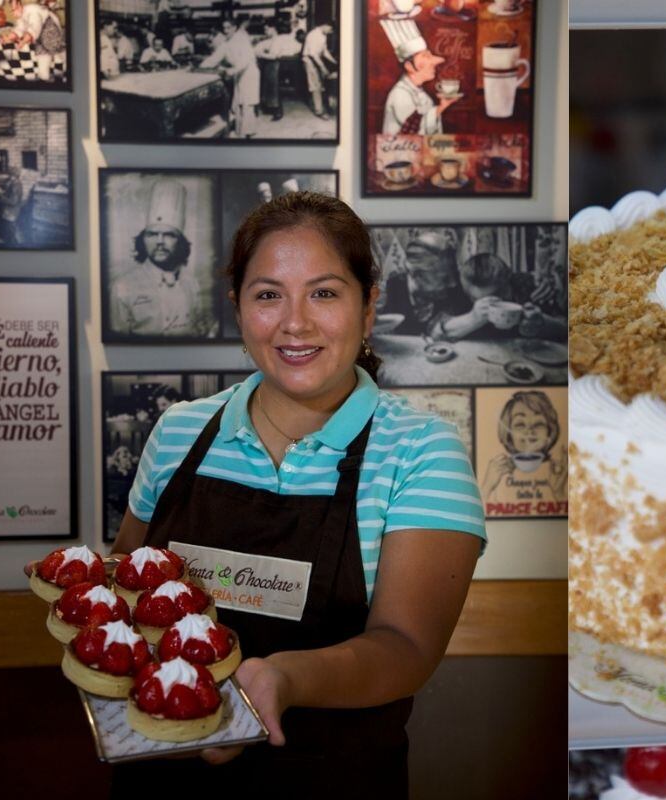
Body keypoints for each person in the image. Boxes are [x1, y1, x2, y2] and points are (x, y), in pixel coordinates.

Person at [29, 192, 485, 795]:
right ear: (239, 310)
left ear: (369, 307)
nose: (295, 322)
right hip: (163, 772)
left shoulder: (422, 452)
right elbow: (130, 584)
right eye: (268, 294)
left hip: (333, 777)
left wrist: (282, 680)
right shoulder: (180, 431)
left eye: (324, 293)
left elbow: (407, 649)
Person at [110, 179, 217, 338]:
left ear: (179, 242)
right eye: (152, 234)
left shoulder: (191, 283)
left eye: (168, 234)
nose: (160, 241)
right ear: (143, 240)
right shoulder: (122, 287)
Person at [480, 390, 566, 510]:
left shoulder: (560, 473)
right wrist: (487, 487)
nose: (529, 431)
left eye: (539, 424)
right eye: (520, 424)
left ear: (550, 431)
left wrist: (560, 494)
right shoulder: (496, 475)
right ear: (509, 434)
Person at [380, 230, 470, 338]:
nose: (452, 283)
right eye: (444, 278)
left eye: (453, 274)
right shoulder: (387, 292)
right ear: (416, 275)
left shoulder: (457, 290)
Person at [379, 23, 456, 135]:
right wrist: (441, 107)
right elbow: (413, 127)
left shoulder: (423, 95)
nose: (433, 63)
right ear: (409, 66)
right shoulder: (400, 94)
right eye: (425, 57)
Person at [200, 16, 259, 138]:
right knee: (238, 102)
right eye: (224, 28)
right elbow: (214, 58)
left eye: (228, 27)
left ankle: (247, 133)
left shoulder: (242, 39)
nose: (225, 30)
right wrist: (201, 67)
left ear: (235, 28)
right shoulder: (226, 43)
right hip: (239, 73)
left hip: (249, 73)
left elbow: (246, 60)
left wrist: (231, 71)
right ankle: (240, 130)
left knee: (247, 103)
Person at [1, 0, 65, 82]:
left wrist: (23, 42)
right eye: (12, 11)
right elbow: (19, 30)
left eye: (15, 10)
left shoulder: (32, 10)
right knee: (41, 53)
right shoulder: (22, 15)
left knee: (56, 48)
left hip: (49, 28)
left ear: (20, 5)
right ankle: (44, 76)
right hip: (39, 37)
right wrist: (8, 38)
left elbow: (34, 28)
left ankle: (65, 70)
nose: (14, 14)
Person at [254, 19, 300, 120]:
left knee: (269, 76)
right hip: (291, 66)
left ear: (275, 29)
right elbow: (298, 48)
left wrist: (260, 54)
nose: (266, 31)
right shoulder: (291, 38)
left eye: (267, 29)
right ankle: (270, 104)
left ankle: (276, 109)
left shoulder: (278, 40)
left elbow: (273, 56)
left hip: (278, 66)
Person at [301, 22, 336, 118]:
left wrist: (335, 62)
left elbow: (324, 51)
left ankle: (318, 105)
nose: (330, 32)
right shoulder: (313, 35)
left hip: (316, 59)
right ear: (325, 25)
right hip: (310, 61)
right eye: (330, 29)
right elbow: (313, 54)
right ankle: (319, 111)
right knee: (315, 86)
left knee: (320, 85)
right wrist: (323, 67)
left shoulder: (323, 35)